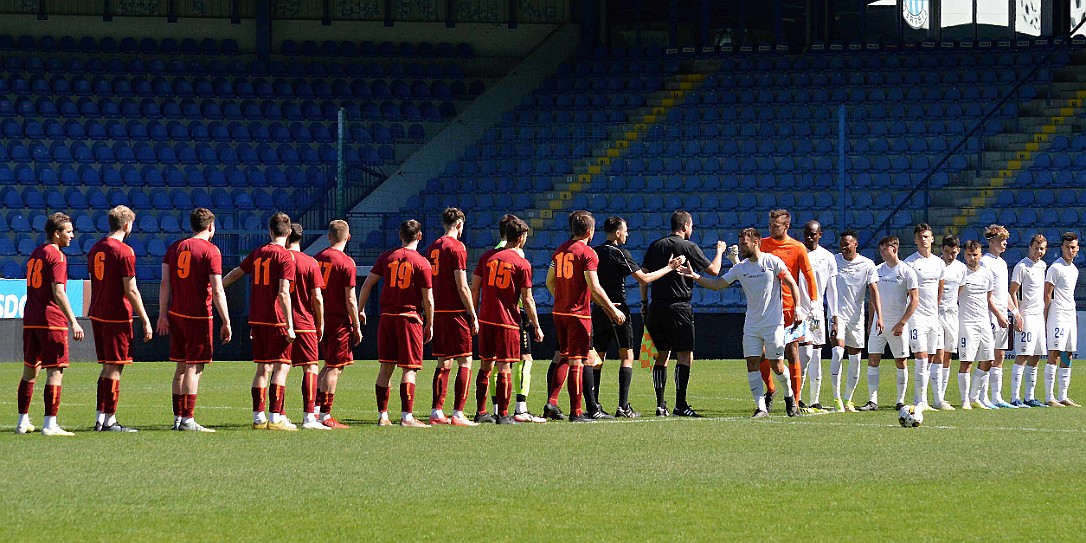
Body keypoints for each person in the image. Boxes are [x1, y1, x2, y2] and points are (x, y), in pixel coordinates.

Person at [680, 228, 804, 418]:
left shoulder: (772, 261)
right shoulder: (740, 268)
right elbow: (717, 284)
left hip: (774, 324)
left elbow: (792, 284)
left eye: (745, 243)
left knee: (776, 365)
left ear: (756, 243)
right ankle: (761, 408)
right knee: (752, 363)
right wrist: (694, 276)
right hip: (752, 325)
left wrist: (798, 309)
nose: (741, 247)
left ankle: (790, 398)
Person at [592, 216, 684, 418]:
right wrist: (669, 268)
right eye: (625, 230)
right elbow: (643, 278)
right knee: (627, 355)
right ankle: (623, 406)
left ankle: (594, 406)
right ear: (617, 232)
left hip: (598, 308)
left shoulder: (595, 252)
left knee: (598, 356)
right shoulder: (619, 252)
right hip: (617, 309)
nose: (627, 234)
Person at [639, 210, 724, 417]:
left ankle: (660, 405)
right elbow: (713, 271)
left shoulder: (655, 245)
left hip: (657, 306)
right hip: (679, 306)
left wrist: (644, 302)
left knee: (661, 355)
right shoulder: (688, 247)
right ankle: (680, 404)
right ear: (685, 226)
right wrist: (720, 251)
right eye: (691, 226)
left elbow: (644, 275)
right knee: (685, 355)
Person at [546, 211, 626, 422]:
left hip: (559, 311)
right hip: (578, 315)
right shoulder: (587, 253)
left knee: (563, 355)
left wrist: (562, 296)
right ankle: (577, 412)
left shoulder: (560, 250)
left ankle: (552, 402)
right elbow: (595, 286)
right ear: (590, 231)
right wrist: (612, 310)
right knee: (578, 361)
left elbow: (549, 282)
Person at [158, 208, 231, 432]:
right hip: (198, 315)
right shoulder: (211, 250)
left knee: (180, 367)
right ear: (210, 226)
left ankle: (178, 418)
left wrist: (162, 314)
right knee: (194, 368)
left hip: (176, 313)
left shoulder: (175, 247)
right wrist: (226, 320)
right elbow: (217, 289)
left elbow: (165, 283)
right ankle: (188, 419)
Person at [223, 212, 297, 430]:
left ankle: (258, 417)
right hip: (276, 319)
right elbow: (284, 293)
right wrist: (290, 325)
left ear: (270, 231)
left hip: (257, 317)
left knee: (262, 367)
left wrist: (216, 287)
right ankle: (275, 417)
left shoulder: (259, 252)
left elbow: (236, 273)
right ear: (289, 232)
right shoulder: (285, 257)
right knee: (282, 366)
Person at [358, 220, 434, 427]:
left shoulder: (387, 257)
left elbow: (367, 284)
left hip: (387, 318)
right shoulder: (422, 262)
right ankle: (407, 417)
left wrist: (360, 309)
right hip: (409, 318)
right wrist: (430, 323)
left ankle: (383, 416)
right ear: (419, 236)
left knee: (385, 368)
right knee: (409, 368)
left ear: (400, 235)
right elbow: (428, 298)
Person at [15, 212, 85, 436]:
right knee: (55, 371)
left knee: (29, 371)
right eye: (68, 231)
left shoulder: (35, 253)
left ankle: (22, 421)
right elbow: (58, 291)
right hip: (51, 320)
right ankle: (50, 424)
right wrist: (74, 321)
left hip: (31, 319)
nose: (72, 235)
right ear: (56, 234)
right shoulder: (57, 256)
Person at [87, 205, 152, 432]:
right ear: (127, 225)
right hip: (116, 315)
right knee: (115, 367)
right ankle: (110, 419)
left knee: (106, 367)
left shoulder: (96, 248)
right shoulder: (124, 251)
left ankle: (100, 417)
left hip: (97, 312)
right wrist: (145, 318)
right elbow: (131, 289)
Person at [477, 217, 544, 424]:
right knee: (505, 367)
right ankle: (504, 414)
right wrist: (536, 325)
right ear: (521, 238)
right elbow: (527, 299)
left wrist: (474, 314)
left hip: (486, 318)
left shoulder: (487, 257)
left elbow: (475, 287)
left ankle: (481, 413)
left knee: (485, 366)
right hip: (507, 321)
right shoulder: (521, 263)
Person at [423, 208, 479, 426]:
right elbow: (462, 285)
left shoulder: (432, 247)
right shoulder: (457, 248)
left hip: (437, 310)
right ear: (459, 225)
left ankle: (437, 411)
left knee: (443, 361)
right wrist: (472, 313)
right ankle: (458, 413)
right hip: (455, 311)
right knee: (465, 360)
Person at [759, 209, 817, 413]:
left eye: (775, 226)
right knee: (761, 355)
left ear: (786, 226)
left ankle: (794, 401)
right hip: (767, 310)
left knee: (792, 353)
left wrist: (815, 304)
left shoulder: (797, 247)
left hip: (790, 309)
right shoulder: (762, 244)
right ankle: (771, 389)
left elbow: (809, 277)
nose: (771, 229)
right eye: (770, 226)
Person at [858, 236, 918, 412]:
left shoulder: (907, 271)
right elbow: (873, 298)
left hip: (897, 323)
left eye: (885, 249)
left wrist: (902, 322)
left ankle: (900, 400)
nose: (882, 252)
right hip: (879, 322)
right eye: (881, 249)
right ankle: (872, 400)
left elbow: (915, 299)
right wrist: (871, 320)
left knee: (901, 360)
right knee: (873, 359)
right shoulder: (877, 270)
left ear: (895, 249)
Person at [313, 220, 362, 429]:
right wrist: (357, 325)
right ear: (348, 237)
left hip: (320, 318)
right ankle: (325, 414)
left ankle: (314, 410)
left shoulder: (317, 258)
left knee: (328, 365)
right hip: (339, 320)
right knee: (335, 367)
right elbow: (350, 298)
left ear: (329, 237)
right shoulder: (346, 262)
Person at [828, 230, 882, 412]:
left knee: (856, 359)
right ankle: (836, 400)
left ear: (855, 244)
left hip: (856, 317)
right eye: (841, 244)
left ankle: (847, 399)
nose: (844, 247)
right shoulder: (833, 261)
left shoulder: (867, 264)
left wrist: (878, 317)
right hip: (836, 316)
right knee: (837, 352)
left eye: (847, 244)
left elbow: (874, 291)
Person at [286, 224, 328, 429]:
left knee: (279, 368)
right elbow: (317, 298)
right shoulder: (310, 262)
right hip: (305, 323)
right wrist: (320, 323)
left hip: (281, 322)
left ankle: (278, 414)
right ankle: (309, 417)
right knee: (310, 368)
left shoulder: (279, 260)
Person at [956, 240, 1005, 410]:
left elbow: (989, 298)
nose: (971, 258)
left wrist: (998, 315)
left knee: (988, 360)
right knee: (967, 361)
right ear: (964, 255)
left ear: (980, 255)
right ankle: (964, 401)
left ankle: (974, 397)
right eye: (968, 255)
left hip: (983, 321)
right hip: (967, 322)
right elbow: (954, 297)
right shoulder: (961, 273)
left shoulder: (986, 274)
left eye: (975, 254)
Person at [903, 223, 946, 411]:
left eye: (926, 236)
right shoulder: (910, 263)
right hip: (916, 317)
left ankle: (927, 399)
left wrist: (935, 309)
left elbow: (940, 289)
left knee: (931, 357)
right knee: (920, 356)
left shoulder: (939, 263)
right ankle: (920, 400)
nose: (923, 240)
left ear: (932, 239)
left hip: (932, 316)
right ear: (915, 240)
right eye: (920, 237)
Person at [797, 220, 837, 412]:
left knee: (816, 355)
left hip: (816, 313)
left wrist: (834, 316)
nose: (810, 237)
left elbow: (832, 290)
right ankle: (796, 397)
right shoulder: (797, 252)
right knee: (803, 356)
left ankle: (814, 400)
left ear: (820, 234)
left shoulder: (828, 257)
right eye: (807, 234)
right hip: (798, 311)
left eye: (813, 234)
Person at [1008, 234, 1048, 408]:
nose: (1038, 252)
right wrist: (1017, 315)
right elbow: (1012, 292)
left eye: (1042, 249)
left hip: (1038, 316)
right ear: (1029, 248)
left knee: (1036, 356)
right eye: (1036, 248)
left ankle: (1029, 397)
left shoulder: (1043, 266)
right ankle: (1014, 398)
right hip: (1027, 316)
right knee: (1023, 356)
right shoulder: (1021, 266)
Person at [980, 225, 1016, 408]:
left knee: (1000, 355)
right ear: (992, 241)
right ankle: (981, 396)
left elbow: (1004, 293)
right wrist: (998, 315)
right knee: (988, 356)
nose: (1005, 244)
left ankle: (997, 397)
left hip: (1003, 314)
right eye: (1002, 240)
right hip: (991, 316)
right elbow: (986, 295)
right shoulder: (985, 262)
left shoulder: (1002, 263)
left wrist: (1015, 312)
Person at [1044, 232, 1080, 408]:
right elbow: (1047, 293)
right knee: (1055, 353)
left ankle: (1063, 395)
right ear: (1062, 248)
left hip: (1070, 314)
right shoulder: (1055, 268)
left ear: (1077, 249)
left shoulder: (1074, 270)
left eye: (1073, 247)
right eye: (1067, 247)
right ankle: (1049, 396)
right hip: (1057, 314)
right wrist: (1044, 316)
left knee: (1068, 354)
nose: (1070, 250)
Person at [933, 235, 966, 410]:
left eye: (953, 253)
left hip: (952, 314)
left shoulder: (961, 268)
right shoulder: (936, 265)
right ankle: (937, 399)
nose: (950, 256)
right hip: (936, 313)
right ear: (941, 250)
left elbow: (959, 290)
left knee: (948, 355)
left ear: (958, 251)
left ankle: (942, 396)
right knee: (938, 354)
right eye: (946, 252)